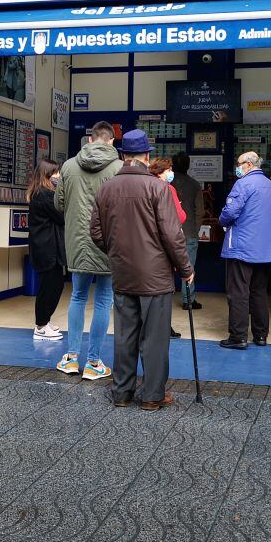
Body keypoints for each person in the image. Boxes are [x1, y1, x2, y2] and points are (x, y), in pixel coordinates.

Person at [91, 130, 194, 411]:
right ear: (147, 156)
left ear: (124, 156)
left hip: (123, 273)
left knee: (125, 335)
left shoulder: (106, 187)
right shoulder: (158, 188)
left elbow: (96, 232)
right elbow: (173, 235)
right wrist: (185, 268)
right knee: (155, 339)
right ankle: (152, 395)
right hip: (156, 276)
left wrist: (117, 253)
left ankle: (122, 393)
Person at [55, 121, 123, 380]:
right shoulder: (118, 169)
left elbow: (59, 203)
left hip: (77, 242)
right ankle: (94, 362)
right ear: (111, 141)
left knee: (77, 297)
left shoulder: (69, 166)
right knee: (105, 300)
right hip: (107, 243)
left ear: (90, 139)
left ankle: (71, 358)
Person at [219, 151, 271, 350]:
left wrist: (222, 221)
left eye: (238, 164)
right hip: (266, 250)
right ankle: (261, 335)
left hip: (243, 247)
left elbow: (230, 212)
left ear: (247, 164)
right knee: (259, 292)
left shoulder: (244, 184)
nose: (237, 168)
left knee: (238, 292)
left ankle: (238, 336)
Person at [26, 158, 65, 341]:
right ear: (47, 174)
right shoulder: (45, 195)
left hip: (47, 248)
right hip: (46, 249)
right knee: (49, 287)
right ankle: (41, 326)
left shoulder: (42, 192)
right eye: (56, 172)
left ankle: (44, 321)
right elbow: (62, 216)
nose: (58, 176)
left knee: (52, 286)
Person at [149, 157, 184, 339]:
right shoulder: (167, 189)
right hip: (163, 248)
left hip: (143, 247)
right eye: (169, 170)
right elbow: (180, 217)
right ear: (161, 172)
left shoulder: (144, 186)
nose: (171, 173)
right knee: (164, 292)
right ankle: (163, 328)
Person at [171, 153, 203, 311]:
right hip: (189, 232)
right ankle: (188, 300)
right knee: (188, 268)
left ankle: (163, 298)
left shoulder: (165, 183)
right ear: (188, 166)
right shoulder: (195, 185)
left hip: (168, 233)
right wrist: (195, 230)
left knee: (165, 268)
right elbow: (200, 212)